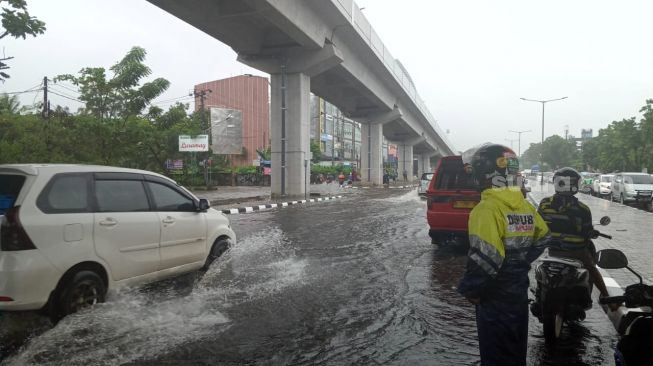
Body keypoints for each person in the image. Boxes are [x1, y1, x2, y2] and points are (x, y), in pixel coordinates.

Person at [457, 143, 550, 366]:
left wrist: (472, 289)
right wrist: (519, 263)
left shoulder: (487, 209)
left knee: (496, 354)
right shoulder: (523, 206)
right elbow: (544, 237)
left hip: (495, 295)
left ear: (483, 174)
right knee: (515, 352)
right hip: (517, 291)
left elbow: (486, 257)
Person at [537, 167, 611, 300]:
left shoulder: (544, 204)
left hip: (551, 250)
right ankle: (608, 299)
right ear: (574, 185)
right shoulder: (582, 209)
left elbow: (538, 225)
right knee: (591, 268)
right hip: (575, 252)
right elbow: (587, 231)